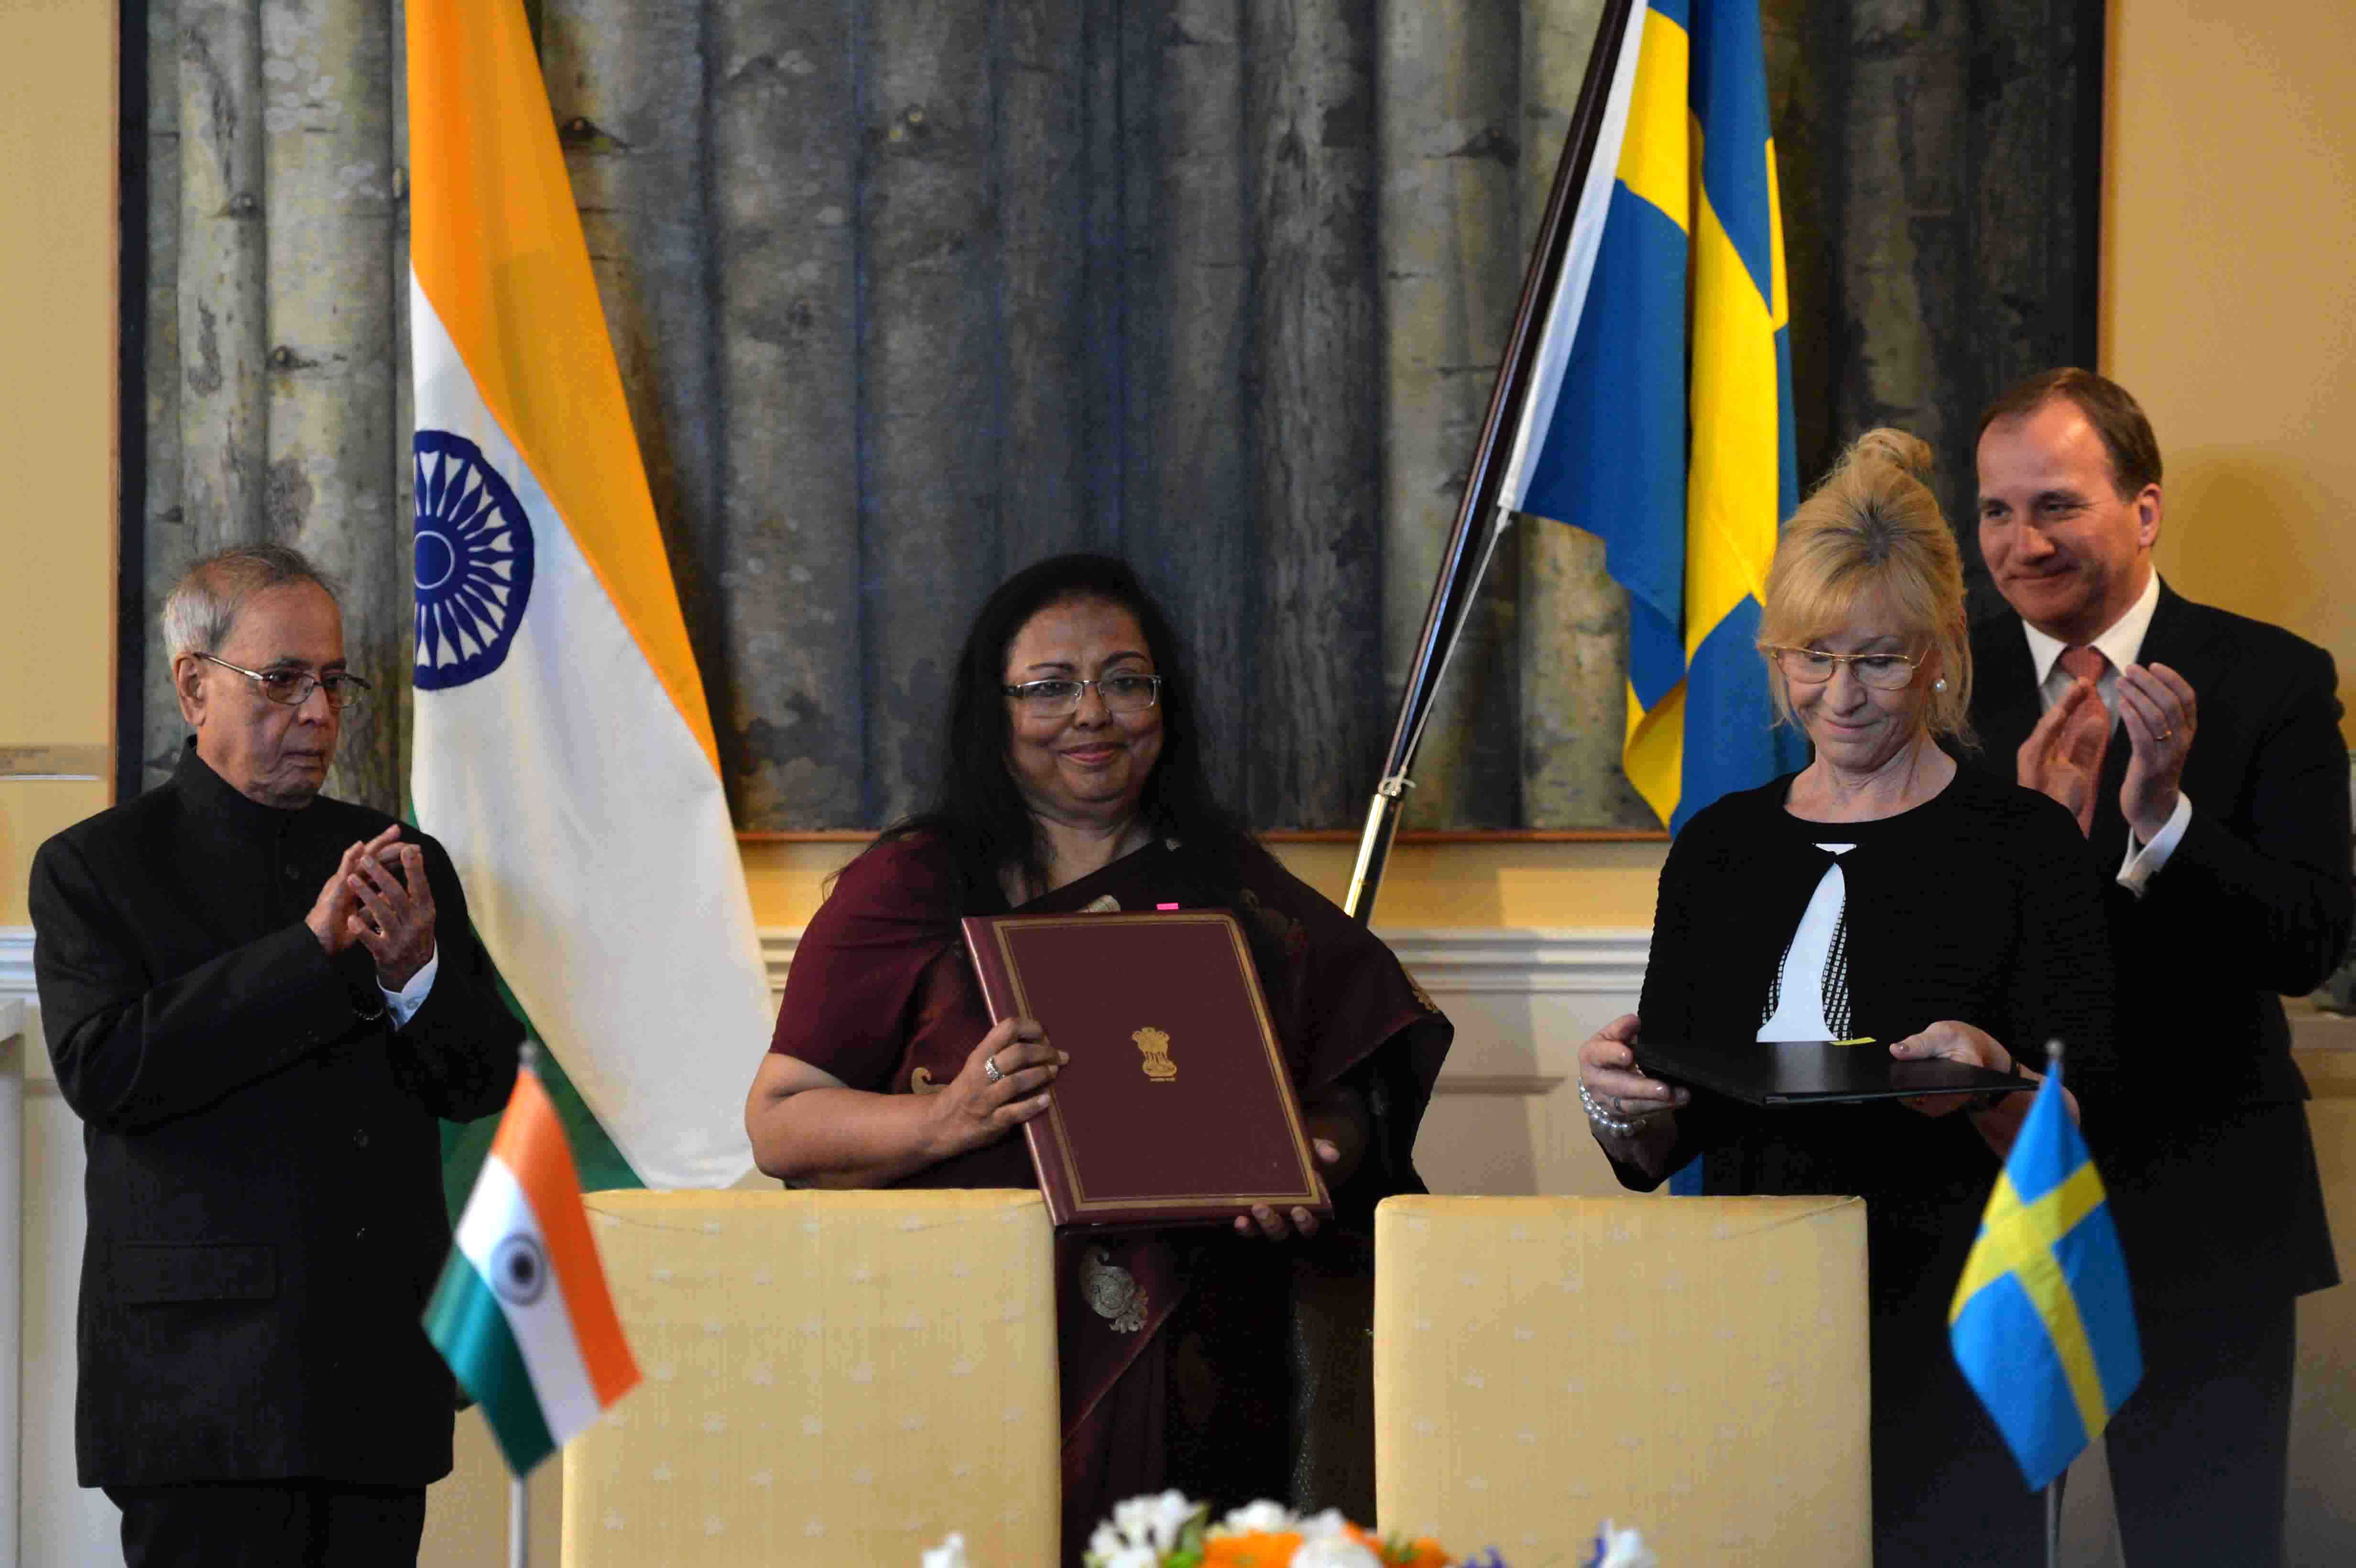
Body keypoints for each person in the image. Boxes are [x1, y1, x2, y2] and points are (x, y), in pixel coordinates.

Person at [746, 553, 1450, 1561]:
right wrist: (944, 1118)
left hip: (1211, 1353)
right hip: (970, 1339)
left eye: (1126, 679)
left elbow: (1352, 1078)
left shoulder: (1229, 882)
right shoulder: (912, 883)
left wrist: (1312, 1154)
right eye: (1050, 686)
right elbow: (781, 1116)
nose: (1093, 713)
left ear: (1165, 702)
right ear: (994, 711)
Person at [1576, 431, 2116, 1563]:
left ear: (1937, 653)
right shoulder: (1720, 848)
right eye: (1808, 657)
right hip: (1751, 1312)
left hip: (1956, 1329)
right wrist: (1617, 1098)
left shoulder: (2022, 845)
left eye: (1875, 659)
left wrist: (1985, 1077)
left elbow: (2084, 1126)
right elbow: (1670, 1130)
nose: (1838, 694)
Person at [29, 544, 521, 1566]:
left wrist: (415, 973)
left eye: (334, 680)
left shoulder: (396, 859)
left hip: (373, 1366)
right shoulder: (95, 868)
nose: (318, 712)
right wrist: (306, 953)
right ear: (192, 683)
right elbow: (109, 1071)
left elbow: (475, 1079)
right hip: (199, 1377)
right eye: (282, 680)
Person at [1968, 368, 2347, 1566]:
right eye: (1992, 510)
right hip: (1971, 1203)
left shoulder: (2273, 679)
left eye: (2055, 506)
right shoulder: (1929, 681)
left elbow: (2307, 939)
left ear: (2144, 510)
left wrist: (2164, 821)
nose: (2019, 543)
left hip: (2204, 1202)